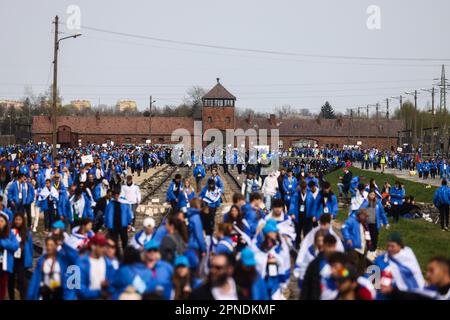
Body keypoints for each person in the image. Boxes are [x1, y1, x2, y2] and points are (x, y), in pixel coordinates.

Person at [380, 256, 450, 300]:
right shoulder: (434, 289)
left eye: (432, 271)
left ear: (445, 271)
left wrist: (392, 292)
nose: (427, 275)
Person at [76, 232, 116, 300]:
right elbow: (79, 288)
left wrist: (108, 286)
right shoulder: (81, 263)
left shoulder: (108, 263)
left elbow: (114, 284)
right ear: (93, 246)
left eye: (105, 246)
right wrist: (99, 293)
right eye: (101, 246)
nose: (104, 249)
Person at [299, 233, 338, 300]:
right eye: (329, 246)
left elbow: (347, 276)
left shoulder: (340, 263)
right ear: (324, 246)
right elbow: (306, 286)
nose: (331, 249)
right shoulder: (315, 264)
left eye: (333, 246)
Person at [8, 212, 33, 300]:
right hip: (11, 260)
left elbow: (30, 247)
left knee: (22, 282)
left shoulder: (27, 232)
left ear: (23, 221)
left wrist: (29, 261)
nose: (18, 222)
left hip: (22, 260)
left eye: (20, 220)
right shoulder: (10, 231)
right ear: (13, 220)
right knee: (10, 282)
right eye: (16, 220)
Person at [341, 208, 370, 275]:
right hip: (354, 248)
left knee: (362, 266)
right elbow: (344, 228)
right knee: (353, 265)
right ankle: (349, 279)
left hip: (362, 248)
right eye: (365, 216)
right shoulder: (351, 220)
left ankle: (360, 280)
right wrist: (348, 238)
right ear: (360, 215)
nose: (366, 218)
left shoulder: (363, 223)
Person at [359, 190, 389, 256]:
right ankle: (367, 251)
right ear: (368, 195)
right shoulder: (365, 202)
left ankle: (373, 251)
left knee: (374, 238)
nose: (372, 196)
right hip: (367, 224)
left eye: (373, 195)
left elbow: (382, 213)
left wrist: (386, 222)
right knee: (367, 238)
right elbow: (360, 209)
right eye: (371, 194)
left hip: (375, 223)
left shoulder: (378, 203)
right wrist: (367, 202)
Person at [0, 212, 19, 300]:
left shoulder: (10, 234)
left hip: (4, 264)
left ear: (6, 223)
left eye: (1, 221)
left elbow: (15, 246)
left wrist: (3, 242)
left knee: (3, 285)